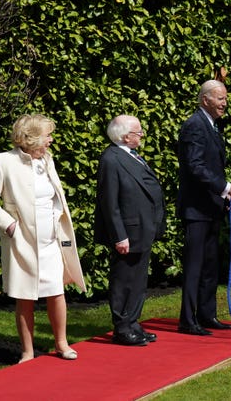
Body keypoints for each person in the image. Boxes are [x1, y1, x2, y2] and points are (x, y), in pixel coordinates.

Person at [0, 114, 86, 363]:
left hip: (51, 240)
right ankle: (27, 352)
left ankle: (62, 344)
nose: (51, 140)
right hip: (22, 242)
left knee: (56, 292)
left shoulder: (47, 159)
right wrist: (9, 226)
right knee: (25, 297)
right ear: (31, 138)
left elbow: (54, 198)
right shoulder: (3, 161)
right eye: (47, 136)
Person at [177, 79, 231, 336]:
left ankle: (207, 315)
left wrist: (224, 194)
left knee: (209, 265)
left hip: (212, 207)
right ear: (205, 99)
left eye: (225, 99)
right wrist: (226, 187)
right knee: (194, 266)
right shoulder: (194, 125)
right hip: (196, 209)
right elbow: (195, 167)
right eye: (220, 99)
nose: (224, 103)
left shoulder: (212, 126)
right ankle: (188, 319)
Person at [94, 114, 166, 346]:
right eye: (138, 132)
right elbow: (109, 202)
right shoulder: (111, 159)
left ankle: (133, 322)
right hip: (128, 232)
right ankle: (122, 327)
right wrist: (119, 235)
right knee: (124, 279)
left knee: (138, 280)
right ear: (125, 136)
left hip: (143, 229)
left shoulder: (131, 155)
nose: (142, 135)